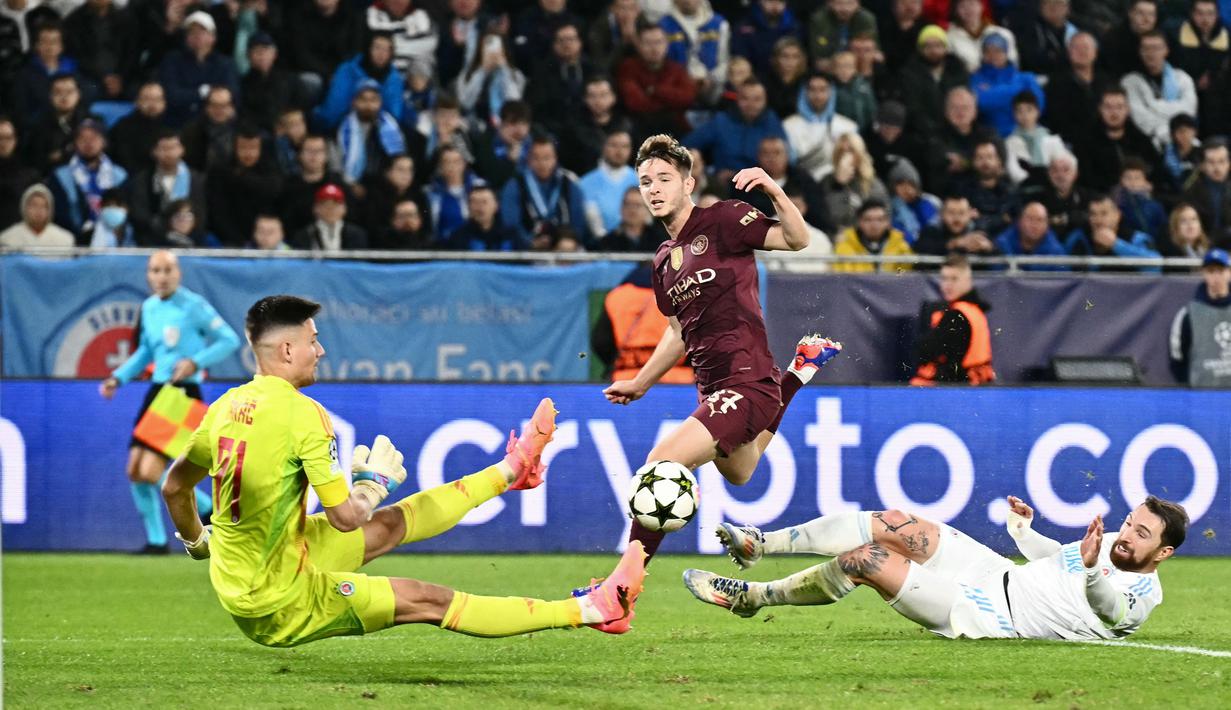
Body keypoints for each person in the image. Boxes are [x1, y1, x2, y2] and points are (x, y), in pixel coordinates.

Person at [161, 294, 646, 645]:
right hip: (278, 598)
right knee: (428, 598)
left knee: (391, 525)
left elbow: (175, 487)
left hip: (269, 559)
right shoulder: (302, 414)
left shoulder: (225, 406)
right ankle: (592, 609)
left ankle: (511, 470)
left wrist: (200, 545)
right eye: (312, 340)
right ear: (286, 350)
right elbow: (347, 518)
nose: (321, 350)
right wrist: (371, 486)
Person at [593, 135, 839, 631]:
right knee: (742, 473)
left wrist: (772, 188)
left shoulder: (723, 220)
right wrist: (642, 381)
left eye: (664, 179)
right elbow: (678, 332)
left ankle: (619, 593)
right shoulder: (663, 262)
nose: (654, 189)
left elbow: (797, 239)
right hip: (716, 387)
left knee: (660, 464)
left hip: (745, 382)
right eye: (645, 182)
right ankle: (798, 372)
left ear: (688, 183)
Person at [686, 494, 1188, 642]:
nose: (1126, 535)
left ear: (1163, 554)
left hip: (991, 616)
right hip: (993, 572)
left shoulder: (1142, 595)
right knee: (895, 523)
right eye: (1128, 523)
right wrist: (1021, 532)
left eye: (1141, 534)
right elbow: (1055, 560)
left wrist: (1093, 566)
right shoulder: (1102, 553)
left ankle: (753, 597)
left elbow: (1105, 606)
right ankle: (761, 542)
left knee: (866, 561)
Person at [100, 250, 241, 554]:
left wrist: (195, 362)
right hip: (156, 391)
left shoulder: (194, 306)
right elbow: (145, 352)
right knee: (134, 471)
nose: (161, 277)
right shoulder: (149, 308)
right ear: (148, 275)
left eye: (167, 270)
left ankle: (207, 511)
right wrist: (118, 377)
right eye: (155, 271)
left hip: (183, 392)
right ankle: (156, 541)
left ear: (178, 274)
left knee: (150, 471)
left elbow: (229, 339)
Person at [592, 262, 693, 384]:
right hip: (678, 380)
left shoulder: (617, 296)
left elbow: (601, 342)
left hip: (626, 379)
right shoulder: (684, 294)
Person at [909, 254, 994, 385]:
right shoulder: (975, 310)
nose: (948, 285)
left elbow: (929, 351)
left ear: (967, 281)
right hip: (976, 385)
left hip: (956, 390)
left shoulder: (956, 315)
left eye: (954, 279)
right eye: (944, 279)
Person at [158, 11, 240, 129]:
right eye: (192, 32)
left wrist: (193, 95)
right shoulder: (172, 61)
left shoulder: (225, 64)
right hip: (178, 123)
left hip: (215, 126)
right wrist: (203, 92)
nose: (197, 36)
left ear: (213, 37)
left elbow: (232, 95)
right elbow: (172, 95)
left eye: (203, 31)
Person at [1121, 31, 1198, 148]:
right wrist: (1168, 130)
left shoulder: (1182, 78)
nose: (1151, 53)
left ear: (1166, 50)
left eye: (1156, 48)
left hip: (1185, 140)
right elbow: (1141, 119)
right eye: (1146, 48)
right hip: (1145, 143)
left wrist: (1153, 105)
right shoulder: (1130, 82)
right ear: (1139, 52)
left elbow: (1188, 111)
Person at [1170, 248, 1231, 386]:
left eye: (1220, 271)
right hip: (1202, 396)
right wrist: (1190, 386)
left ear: (1229, 273)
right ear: (1203, 274)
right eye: (1210, 271)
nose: (1216, 277)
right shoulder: (1188, 314)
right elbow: (1177, 357)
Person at [782, 72, 858, 182]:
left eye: (823, 89)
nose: (817, 95)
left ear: (831, 92)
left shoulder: (848, 127)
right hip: (801, 184)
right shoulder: (788, 126)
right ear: (804, 92)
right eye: (812, 90)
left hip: (836, 185)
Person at [580, 129, 638, 238]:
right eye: (614, 145)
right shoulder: (585, 183)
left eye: (625, 146)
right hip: (600, 248)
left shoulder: (641, 181)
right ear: (603, 147)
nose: (619, 151)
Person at [831, 199, 914, 273]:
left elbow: (904, 273)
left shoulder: (901, 247)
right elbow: (843, 278)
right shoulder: (844, 248)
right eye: (868, 220)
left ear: (888, 222)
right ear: (860, 222)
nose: (874, 225)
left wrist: (896, 275)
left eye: (880, 220)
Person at [914, 193, 997, 257]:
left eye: (961, 213)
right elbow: (919, 251)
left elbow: (1003, 259)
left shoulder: (979, 233)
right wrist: (954, 244)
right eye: (951, 213)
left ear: (970, 214)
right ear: (942, 214)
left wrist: (988, 248)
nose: (956, 218)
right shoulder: (930, 232)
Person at [1183, 138, 1231, 248]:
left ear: (1229, 163)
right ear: (1203, 165)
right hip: (1201, 246)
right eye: (1211, 162)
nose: (1217, 168)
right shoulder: (1192, 191)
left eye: (1222, 161)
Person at [291, 183, 368, 251]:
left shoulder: (356, 234)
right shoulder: (304, 235)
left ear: (344, 208)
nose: (331, 210)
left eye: (336, 205)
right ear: (315, 208)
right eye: (325, 205)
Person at [994, 201, 1069, 270]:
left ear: (1047, 225)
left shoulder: (1056, 252)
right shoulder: (1002, 245)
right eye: (1030, 219)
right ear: (1020, 221)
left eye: (1040, 220)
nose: (1034, 225)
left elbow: (1064, 281)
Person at [0, 183, 75, 248]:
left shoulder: (65, 239)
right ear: (24, 207)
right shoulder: (7, 238)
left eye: (44, 206)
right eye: (34, 205)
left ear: (50, 210)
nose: (39, 211)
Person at [448, 184, 518, 251]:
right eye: (474, 202)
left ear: (496, 205)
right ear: (468, 206)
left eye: (484, 202)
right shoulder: (458, 237)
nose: (479, 207)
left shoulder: (510, 236)